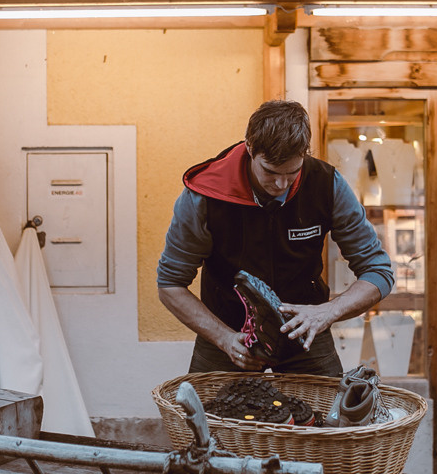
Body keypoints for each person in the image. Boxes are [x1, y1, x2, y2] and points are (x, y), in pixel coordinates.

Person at [158, 100, 394, 376]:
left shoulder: (327, 186)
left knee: (329, 419)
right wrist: (223, 338)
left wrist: (326, 313)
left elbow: (378, 271)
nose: (281, 184)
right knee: (209, 420)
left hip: (305, 331)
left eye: (292, 172)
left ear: (305, 154)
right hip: (229, 335)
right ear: (249, 148)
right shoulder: (204, 196)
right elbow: (170, 284)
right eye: (270, 171)